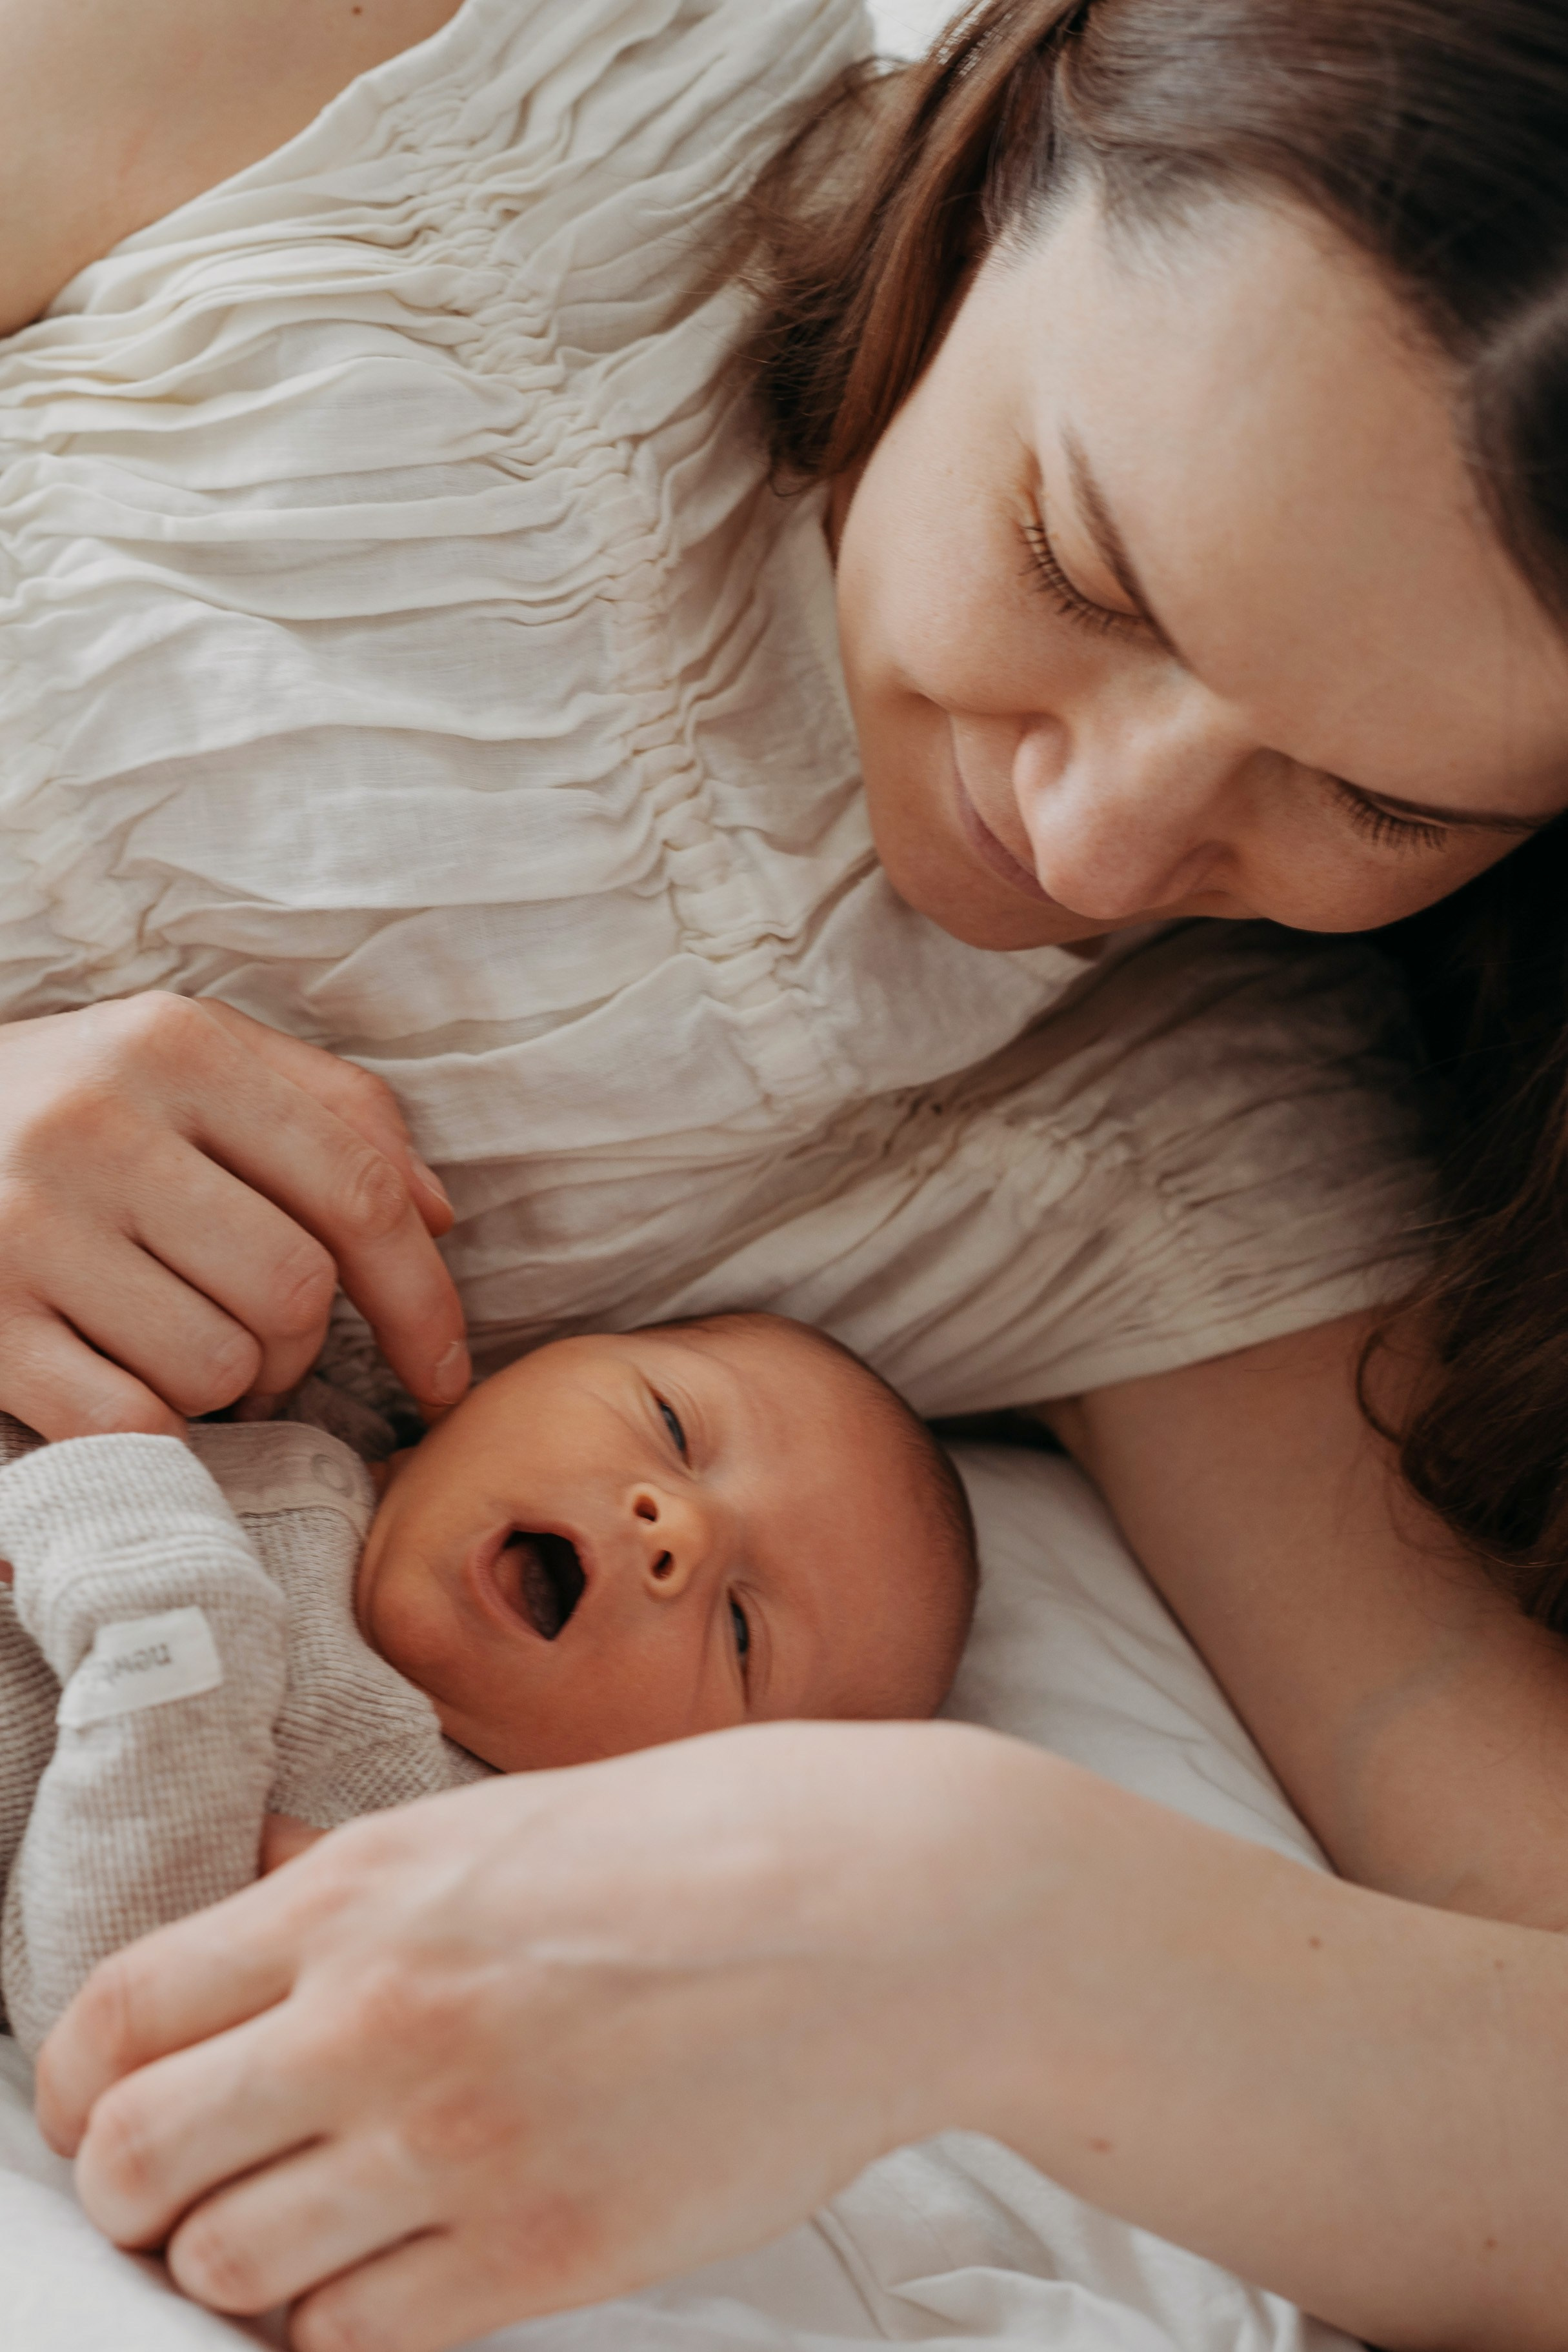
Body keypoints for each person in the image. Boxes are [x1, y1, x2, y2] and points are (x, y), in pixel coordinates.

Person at [1, 0, 1568, 2345]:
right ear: (1013, 142)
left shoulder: (1207, 1161)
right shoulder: (447, 91)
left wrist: (986, 1925)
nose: (1098, 836)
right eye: (1090, 564)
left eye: (1385, 799)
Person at [0, 1312, 976, 2054]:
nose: (680, 1526)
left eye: (740, 1632)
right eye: (672, 1422)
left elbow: (110, 2003)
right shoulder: (270, 1387)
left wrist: (167, 1615)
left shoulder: (413, 1839)